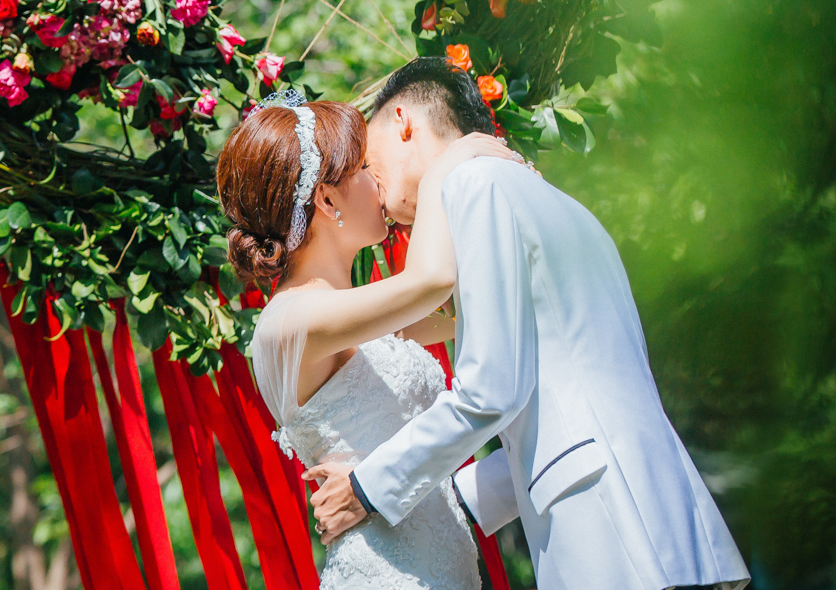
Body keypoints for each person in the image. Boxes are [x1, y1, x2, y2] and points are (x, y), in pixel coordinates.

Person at [306, 57, 751, 590]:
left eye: (370, 161)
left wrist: (367, 488)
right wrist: (450, 506)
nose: (371, 185)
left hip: (608, 526)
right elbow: (564, 405)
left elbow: (490, 390)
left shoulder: (473, 184)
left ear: (403, 121)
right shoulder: (558, 202)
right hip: (652, 512)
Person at [219, 87, 520, 589]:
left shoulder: (364, 315)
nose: (377, 179)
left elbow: (481, 322)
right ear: (328, 196)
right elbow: (431, 282)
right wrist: (448, 161)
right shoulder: (290, 321)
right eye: (362, 166)